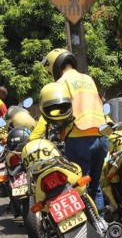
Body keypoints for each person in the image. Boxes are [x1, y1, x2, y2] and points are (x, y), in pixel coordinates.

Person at [31, 48, 108, 211]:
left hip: (80, 138)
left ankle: (88, 229)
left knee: (80, 188)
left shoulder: (60, 84)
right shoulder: (88, 79)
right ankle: (101, 223)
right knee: (95, 186)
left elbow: (48, 115)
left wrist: (32, 140)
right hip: (102, 137)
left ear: (54, 67)